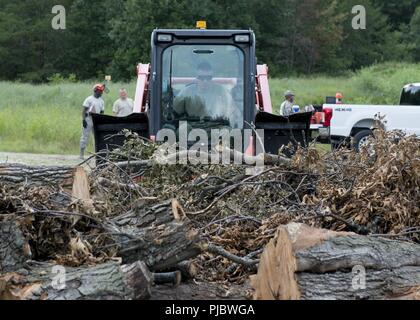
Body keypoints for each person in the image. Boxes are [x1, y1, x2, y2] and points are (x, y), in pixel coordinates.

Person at [173, 62, 241, 128]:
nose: (205, 81)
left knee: (226, 131)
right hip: (192, 127)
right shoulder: (187, 91)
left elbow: (234, 111)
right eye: (201, 78)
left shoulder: (221, 91)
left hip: (215, 127)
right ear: (197, 78)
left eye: (208, 78)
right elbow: (175, 111)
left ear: (211, 78)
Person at [80, 84, 105, 159]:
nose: (101, 93)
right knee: (85, 136)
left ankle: (96, 154)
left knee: (97, 138)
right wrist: (84, 120)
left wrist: (101, 121)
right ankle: (81, 154)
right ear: (95, 91)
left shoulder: (101, 101)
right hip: (89, 119)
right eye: (99, 91)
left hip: (97, 120)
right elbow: (84, 110)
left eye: (101, 91)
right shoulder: (89, 99)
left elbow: (102, 112)